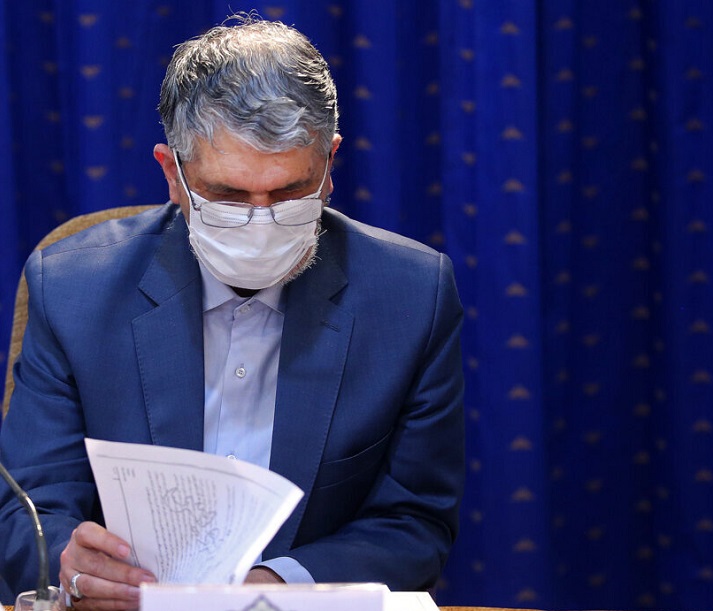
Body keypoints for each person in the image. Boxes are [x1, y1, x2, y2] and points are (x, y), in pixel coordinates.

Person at [0, 15, 464, 609]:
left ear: (329, 167)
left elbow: (414, 521)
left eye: (290, 192)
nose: (260, 221)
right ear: (173, 174)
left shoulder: (413, 296)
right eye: (228, 195)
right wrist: (73, 563)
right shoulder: (73, 289)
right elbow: (29, 511)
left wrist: (269, 588)